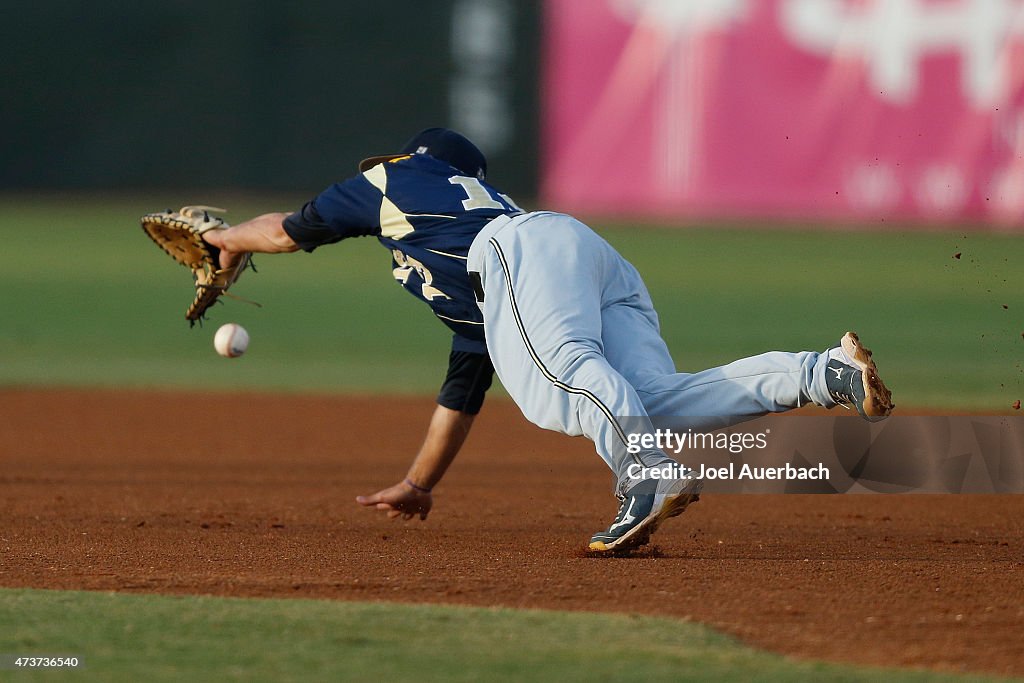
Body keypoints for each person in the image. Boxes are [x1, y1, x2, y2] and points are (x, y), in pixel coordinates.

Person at [201, 128, 893, 553]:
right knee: (650, 399)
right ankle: (821, 373)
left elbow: (291, 228)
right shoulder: (459, 249)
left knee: (564, 381)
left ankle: (646, 475)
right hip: (577, 252)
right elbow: (464, 386)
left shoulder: (394, 179)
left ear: (421, 159)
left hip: (522, 255)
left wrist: (222, 239)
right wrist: (419, 483)